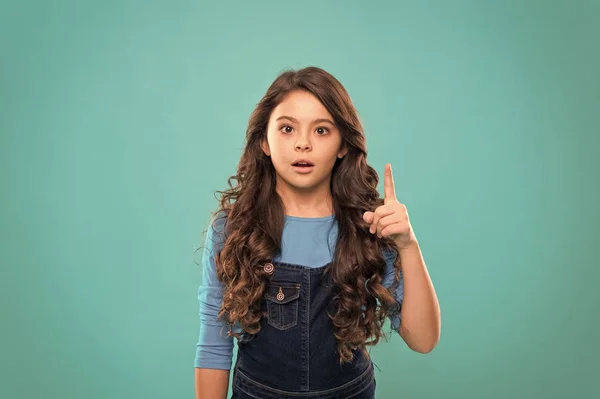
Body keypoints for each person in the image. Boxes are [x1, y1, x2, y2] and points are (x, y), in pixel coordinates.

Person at [194, 66, 441, 399]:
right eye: (287, 129)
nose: (303, 144)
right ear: (264, 141)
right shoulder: (232, 229)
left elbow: (423, 340)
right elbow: (213, 344)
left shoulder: (369, 225)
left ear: (342, 145)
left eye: (321, 130)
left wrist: (408, 246)